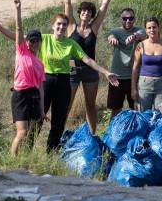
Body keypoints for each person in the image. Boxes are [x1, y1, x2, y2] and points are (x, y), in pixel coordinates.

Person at [42, 13, 118, 152]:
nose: (61, 27)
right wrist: (1, 28)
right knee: (39, 114)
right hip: (46, 80)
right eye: (58, 24)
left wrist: (105, 72)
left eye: (64, 24)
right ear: (53, 25)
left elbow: (88, 60)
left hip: (64, 81)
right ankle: (28, 144)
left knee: (58, 118)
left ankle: (52, 150)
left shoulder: (71, 43)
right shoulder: (44, 39)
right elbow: (22, 40)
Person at [58, 0, 119, 134]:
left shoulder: (94, 28)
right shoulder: (70, 26)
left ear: (91, 15)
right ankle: (59, 134)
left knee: (90, 106)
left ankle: (92, 135)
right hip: (71, 70)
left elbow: (104, 5)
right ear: (79, 13)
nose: (86, 13)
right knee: (67, 105)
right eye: (83, 11)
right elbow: (67, 2)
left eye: (89, 11)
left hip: (91, 71)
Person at [0, 0, 46, 156]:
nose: (34, 43)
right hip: (20, 95)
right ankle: (12, 160)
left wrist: (42, 109)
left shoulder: (40, 64)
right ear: (27, 43)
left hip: (34, 96)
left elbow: (40, 88)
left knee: (31, 132)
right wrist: (18, 9)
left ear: (40, 42)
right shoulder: (22, 52)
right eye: (31, 40)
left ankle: (24, 158)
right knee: (22, 132)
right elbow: (18, 30)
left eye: (37, 41)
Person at [131, 17, 162, 116]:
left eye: (154, 27)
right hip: (144, 85)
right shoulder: (140, 46)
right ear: (146, 30)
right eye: (149, 28)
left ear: (158, 28)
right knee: (143, 115)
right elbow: (135, 68)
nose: (152, 30)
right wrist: (133, 88)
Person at [107, 8, 147, 118]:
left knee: (136, 109)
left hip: (134, 77)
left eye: (131, 18)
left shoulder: (140, 30)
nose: (128, 21)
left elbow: (142, 34)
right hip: (116, 77)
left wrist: (134, 36)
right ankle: (110, 133)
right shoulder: (115, 31)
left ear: (134, 19)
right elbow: (110, 36)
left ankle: (138, 132)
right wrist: (112, 39)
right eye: (125, 18)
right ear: (121, 19)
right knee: (115, 110)